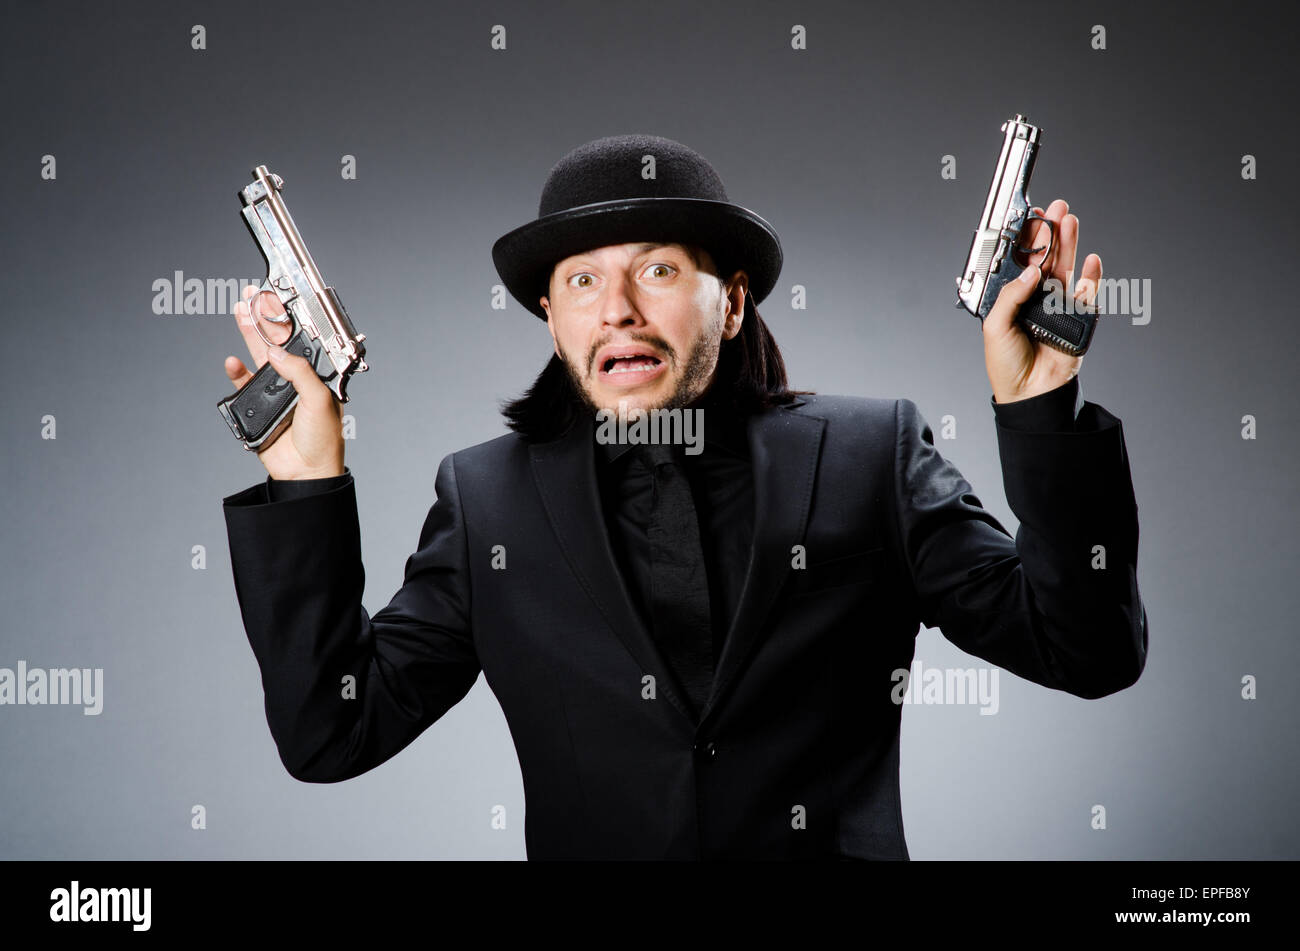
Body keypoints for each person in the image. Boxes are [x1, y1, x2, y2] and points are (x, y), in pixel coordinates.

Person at [220, 133, 1148, 860]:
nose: (616, 307)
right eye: (582, 280)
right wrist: (305, 485)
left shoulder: (872, 456)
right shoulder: (485, 501)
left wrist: (1040, 413)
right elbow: (332, 731)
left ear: (732, 303)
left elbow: (1089, 649)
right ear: (552, 318)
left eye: (657, 269)